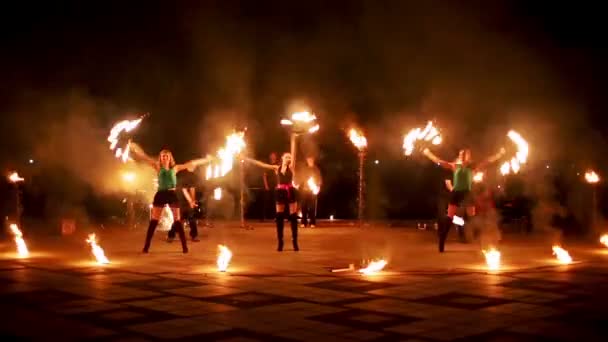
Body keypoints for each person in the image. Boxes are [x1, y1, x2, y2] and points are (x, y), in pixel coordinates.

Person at [130, 143, 212, 253]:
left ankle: (184, 247)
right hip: (160, 194)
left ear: (170, 158)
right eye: (163, 156)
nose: (165, 158)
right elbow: (144, 157)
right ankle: (146, 246)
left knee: (177, 221)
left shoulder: (175, 168)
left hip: (172, 195)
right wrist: (134, 147)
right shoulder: (157, 166)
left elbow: (191, 163)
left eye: (167, 156)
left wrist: (206, 160)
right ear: (160, 158)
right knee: (154, 221)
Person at [423, 147, 505, 252]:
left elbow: (487, 161)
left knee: (473, 217)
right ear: (461, 156)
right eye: (464, 154)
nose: (466, 156)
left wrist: (499, 154)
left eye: (468, 155)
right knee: (449, 218)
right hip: (456, 193)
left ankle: (481, 240)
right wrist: (428, 154)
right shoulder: (455, 166)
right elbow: (439, 161)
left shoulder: (472, 167)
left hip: (467, 194)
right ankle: (442, 242)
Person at [246, 153, 299, 251]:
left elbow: (294, 150)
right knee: (279, 216)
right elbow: (262, 165)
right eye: (287, 157)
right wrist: (247, 159)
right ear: (282, 158)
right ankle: (280, 242)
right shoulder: (276, 168)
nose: (289, 158)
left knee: (293, 217)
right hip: (280, 192)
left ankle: (295, 242)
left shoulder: (291, 167)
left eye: (290, 157)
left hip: (290, 191)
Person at [167, 164, 200, 242]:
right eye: (192, 165)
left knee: (191, 218)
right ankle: (171, 235)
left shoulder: (193, 176)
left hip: (185, 201)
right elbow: (184, 190)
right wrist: (191, 201)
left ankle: (194, 236)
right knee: (179, 219)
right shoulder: (182, 175)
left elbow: (192, 189)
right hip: (180, 200)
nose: (194, 166)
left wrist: (193, 201)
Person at [299, 156, 321, 228]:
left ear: (313, 160)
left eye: (311, 159)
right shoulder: (304, 169)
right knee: (303, 207)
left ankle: (312, 222)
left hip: (312, 191)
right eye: (309, 159)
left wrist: (318, 187)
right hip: (305, 190)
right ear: (307, 160)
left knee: (312, 207)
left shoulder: (316, 169)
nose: (310, 161)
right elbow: (301, 178)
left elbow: (319, 179)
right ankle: (303, 222)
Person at [262, 152, 279, 221]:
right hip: (268, 186)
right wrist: (266, 185)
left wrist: (278, 185)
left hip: (276, 186)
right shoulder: (267, 165)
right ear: (270, 157)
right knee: (267, 201)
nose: (273, 157)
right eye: (271, 156)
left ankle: (276, 217)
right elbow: (264, 176)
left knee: (276, 202)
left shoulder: (277, 165)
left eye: (274, 156)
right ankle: (264, 217)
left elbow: (278, 176)